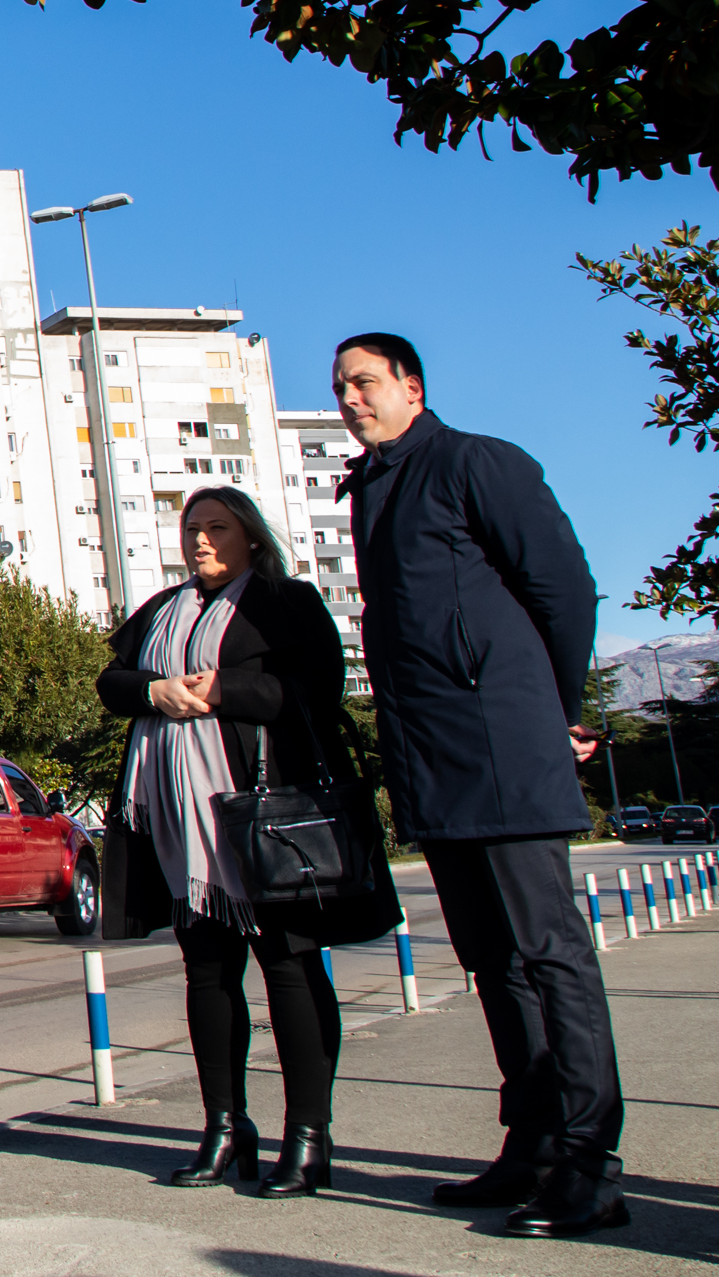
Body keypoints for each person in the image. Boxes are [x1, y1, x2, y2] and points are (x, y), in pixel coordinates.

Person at [334, 332, 623, 1237]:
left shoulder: (475, 463)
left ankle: (590, 1163)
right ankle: (531, 1144)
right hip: (432, 755)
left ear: (411, 389)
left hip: (503, 742)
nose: (350, 398)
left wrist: (552, 706)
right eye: (340, 386)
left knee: (549, 952)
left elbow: (564, 587)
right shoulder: (370, 487)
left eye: (366, 382)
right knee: (489, 959)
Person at [97, 486, 397, 1198]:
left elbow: (316, 689)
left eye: (215, 528)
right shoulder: (164, 610)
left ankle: (308, 1135)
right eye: (191, 528)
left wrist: (222, 690)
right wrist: (156, 693)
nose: (199, 540)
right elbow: (111, 681)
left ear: (250, 538)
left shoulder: (282, 601)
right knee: (206, 972)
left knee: (288, 967)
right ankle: (225, 1127)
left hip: (263, 819)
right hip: (180, 824)